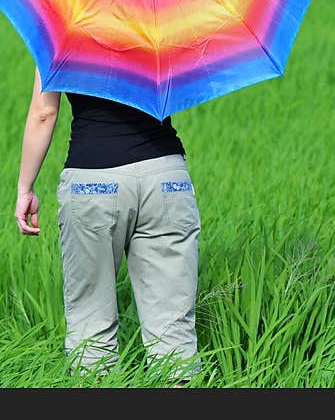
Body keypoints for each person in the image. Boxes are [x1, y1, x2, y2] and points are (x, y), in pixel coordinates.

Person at [14, 65, 202, 384]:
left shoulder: (62, 30)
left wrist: (25, 188)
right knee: (174, 333)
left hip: (94, 181)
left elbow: (44, 113)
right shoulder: (163, 22)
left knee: (91, 325)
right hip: (167, 179)